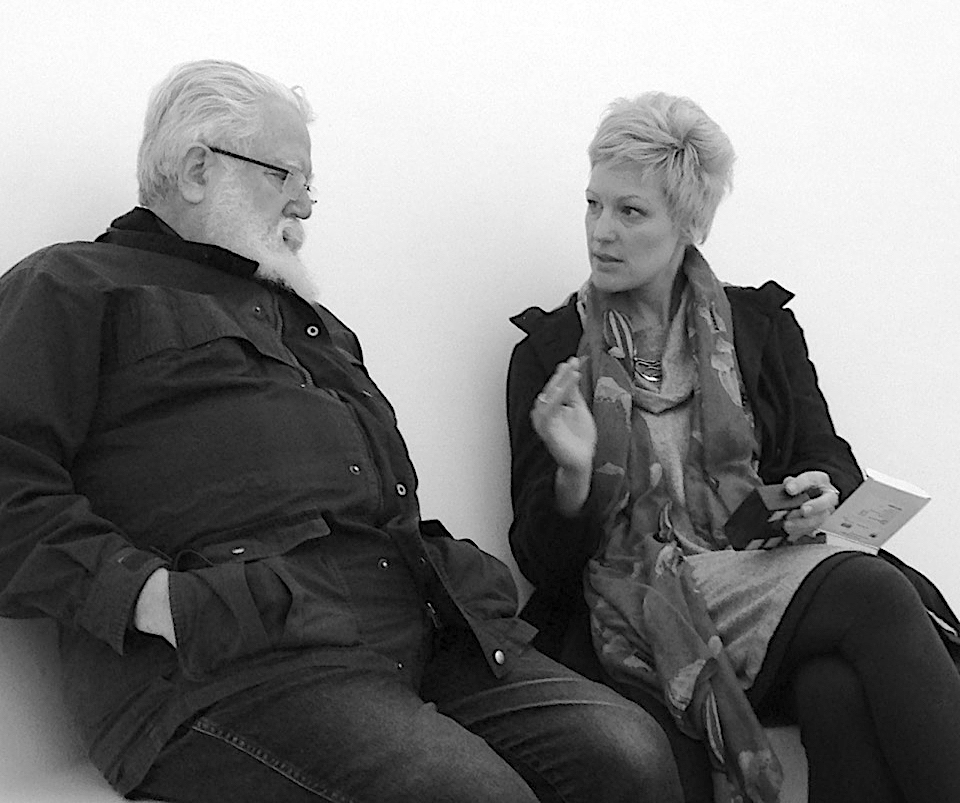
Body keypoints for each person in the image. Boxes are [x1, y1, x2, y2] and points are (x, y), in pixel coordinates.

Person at [0, 61, 683, 803]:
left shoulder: (312, 326)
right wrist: (149, 597)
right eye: (287, 174)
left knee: (629, 752)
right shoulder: (70, 286)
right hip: (232, 666)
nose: (306, 204)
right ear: (198, 168)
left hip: (413, 631)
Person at [506, 91, 960, 803]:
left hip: (753, 575)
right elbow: (545, 563)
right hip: (638, 598)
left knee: (835, 688)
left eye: (631, 212)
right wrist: (575, 473)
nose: (602, 231)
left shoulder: (760, 326)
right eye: (594, 204)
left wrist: (819, 489)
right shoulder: (552, 352)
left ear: (688, 224)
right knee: (872, 588)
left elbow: (824, 452)